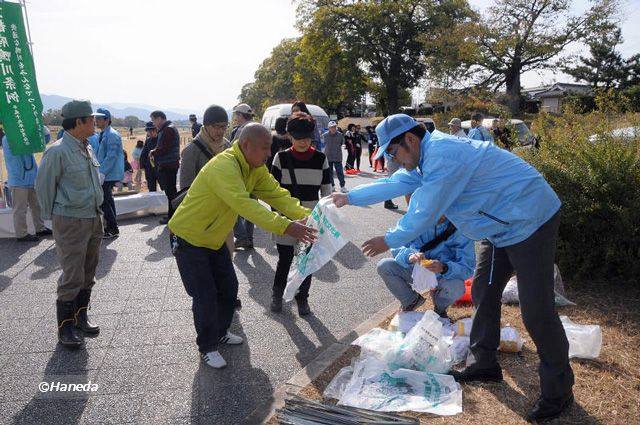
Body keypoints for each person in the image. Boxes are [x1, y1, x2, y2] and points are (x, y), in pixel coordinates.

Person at [331, 113, 574, 423]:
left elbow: (423, 211)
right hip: (499, 228)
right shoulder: (425, 159)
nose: (393, 159)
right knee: (483, 292)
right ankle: (485, 364)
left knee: (536, 309)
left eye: (392, 152)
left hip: (530, 219)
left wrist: (389, 239)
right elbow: (395, 183)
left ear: (411, 139)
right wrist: (349, 196)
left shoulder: (443, 156)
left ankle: (559, 391)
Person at [168, 122, 317, 369]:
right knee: (204, 295)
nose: (269, 154)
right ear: (246, 145)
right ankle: (207, 346)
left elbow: (276, 194)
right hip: (189, 237)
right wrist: (287, 227)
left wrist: (307, 216)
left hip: (213, 238)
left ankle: (220, 332)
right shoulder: (225, 166)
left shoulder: (253, 166)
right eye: (265, 148)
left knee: (228, 289)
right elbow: (246, 206)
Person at [35, 100, 104, 348]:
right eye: (91, 120)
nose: (95, 124)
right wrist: (51, 220)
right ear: (79, 122)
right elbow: (44, 187)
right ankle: (65, 328)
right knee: (72, 274)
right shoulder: (57, 151)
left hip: (93, 217)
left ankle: (80, 317)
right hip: (70, 220)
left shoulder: (87, 147)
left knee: (88, 271)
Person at [270, 113, 332, 315]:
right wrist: (277, 218)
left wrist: (324, 216)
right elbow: (271, 191)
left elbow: (326, 191)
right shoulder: (281, 158)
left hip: (311, 219)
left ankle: (302, 298)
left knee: (306, 261)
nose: (303, 142)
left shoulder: (321, 159)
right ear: (289, 136)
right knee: (285, 259)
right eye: (298, 138)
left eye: (307, 137)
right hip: (285, 220)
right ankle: (277, 295)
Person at [376, 216, 474, 316]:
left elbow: (468, 268)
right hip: (415, 270)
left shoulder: (461, 228)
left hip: (442, 276)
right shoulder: (415, 218)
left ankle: (439, 309)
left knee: (456, 288)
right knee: (385, 266)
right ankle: (411, 300)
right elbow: (397, 244)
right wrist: (409, 256)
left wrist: (444, 267)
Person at [2, 131, 52, 241]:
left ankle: (40, 228)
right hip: (18, 179)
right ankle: (21, 234)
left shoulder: (24, 136)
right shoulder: (8, 139)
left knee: (37, 206)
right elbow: (23, 147)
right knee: (20, 209)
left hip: (31, 177)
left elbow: (46, 140)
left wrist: (38, 124)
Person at [94, 108, 124, 239]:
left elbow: (111, 156)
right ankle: (112, 226)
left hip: (108, 173)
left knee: (104, 201)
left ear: (106, 120)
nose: (96, 121)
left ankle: (112, 228)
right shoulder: (104, 133)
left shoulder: (112, 134)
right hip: (106, 173)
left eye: (99, 119)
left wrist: (102, 172)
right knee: (108, 200)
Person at [230, 103, 256, 249]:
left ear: (240, 115)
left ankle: (241, 237)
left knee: (233, 204)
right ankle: (249, 238)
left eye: (236, 115)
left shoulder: (242, 130)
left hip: (241, 172)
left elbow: (232, 150)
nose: (235, 118)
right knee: (251, 206)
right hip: (255, 172)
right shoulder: (258, 128)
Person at [150, 110, 180, 224]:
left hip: (169, 165)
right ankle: (172, 216)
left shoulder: (168, 130)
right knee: (171, 192)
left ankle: (173, 217)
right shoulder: (168, 128)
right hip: (169, 164)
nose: (153, 123)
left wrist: (153, 152)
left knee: (171, 193)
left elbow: (164, 149)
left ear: (159, 118)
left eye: (153, 120)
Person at [321, 121, 348, 193]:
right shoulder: (324, 135)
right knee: (329, 173)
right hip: (328, 156)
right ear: (329, 128)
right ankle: (332, 186)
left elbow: (342, 143)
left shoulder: (340, 135)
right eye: (332, 127)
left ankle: (342, 186)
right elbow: (322, 145)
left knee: (340, 172)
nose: (333, 128)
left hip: (337, 156)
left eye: (335, 127)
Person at [140, 121, 158, 192]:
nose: (150, 133)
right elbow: (143, 154)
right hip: (149, 169)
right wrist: (142, 166)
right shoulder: (148, 140)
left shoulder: (161, 139)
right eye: (148, 131)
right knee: (151, 188)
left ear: (156, 130)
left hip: (160, 167)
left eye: (151, 131)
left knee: (164, 188)